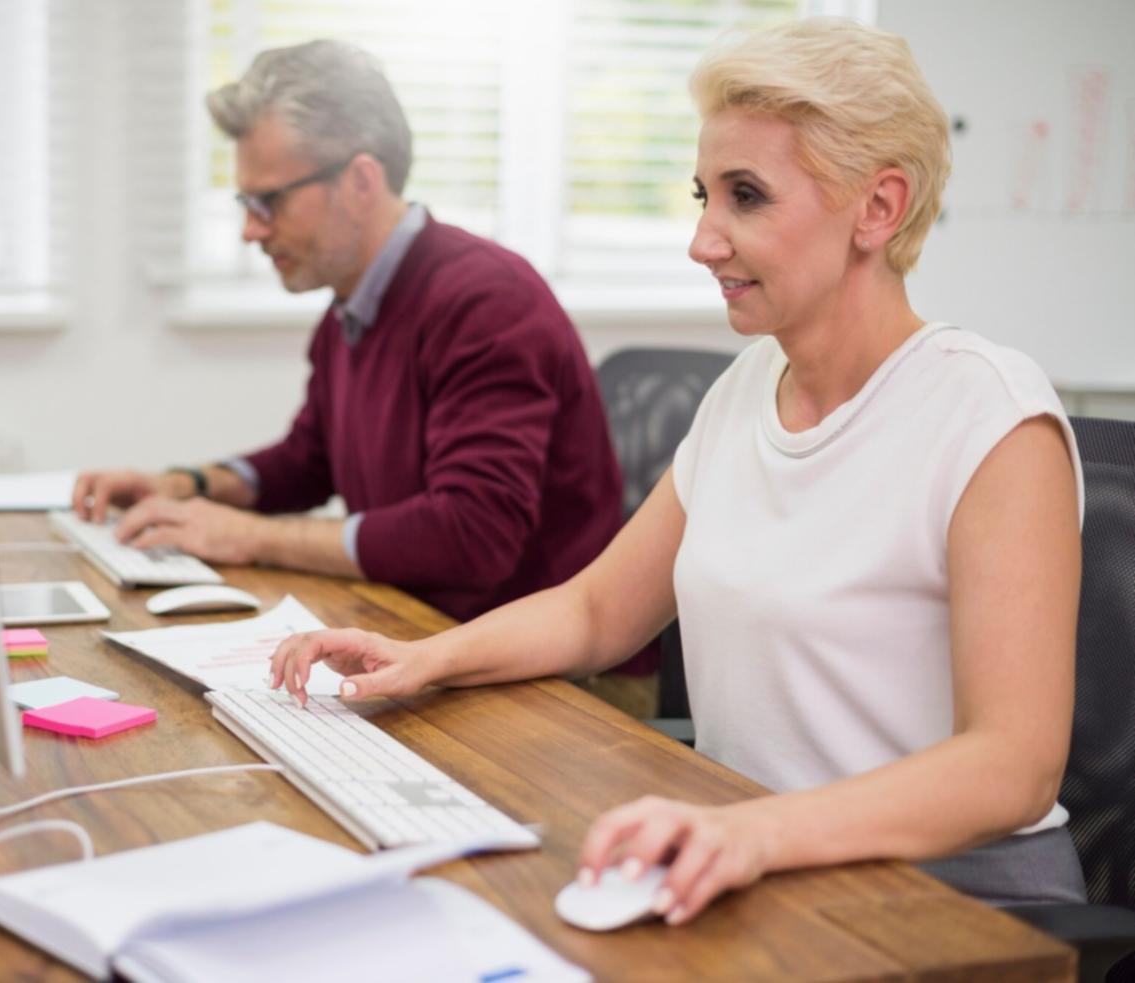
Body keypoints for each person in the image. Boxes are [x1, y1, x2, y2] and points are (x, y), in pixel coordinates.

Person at [270, 18, 1087, 924]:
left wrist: (756, 832)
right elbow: (596, 611)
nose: (702, 240)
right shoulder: (745, 390)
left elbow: (1012, 767)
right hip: (758, 862)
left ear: (878, 207)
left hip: (951, 900)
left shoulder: (989, 416)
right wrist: (425, 658)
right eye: (704, 195)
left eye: (746, 197)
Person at [73, 40, 622, 626]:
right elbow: (310, 461)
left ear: (360, 182)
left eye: (268, 202)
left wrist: (250, 536)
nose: (250, 231)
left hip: (545, 661)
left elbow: (471, 534)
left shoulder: (486, 302)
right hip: (423, 627)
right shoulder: (354, 303)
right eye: (244, 202)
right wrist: (186, 485)